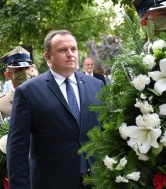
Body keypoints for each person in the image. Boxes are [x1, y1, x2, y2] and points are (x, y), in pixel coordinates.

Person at [7, 30, 104, 189]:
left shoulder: (96, 85)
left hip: (95, 181)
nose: (70, 54)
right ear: (48, 57)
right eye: (62, 50)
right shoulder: (28, 92)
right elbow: (17, 150)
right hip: (51, 182)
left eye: (73, 49)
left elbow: (106, 132)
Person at [0, 46, 38, 136]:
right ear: (7, 75)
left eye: (27, 68)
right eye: (19, 70)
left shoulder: (46, 96)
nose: (25, 73)